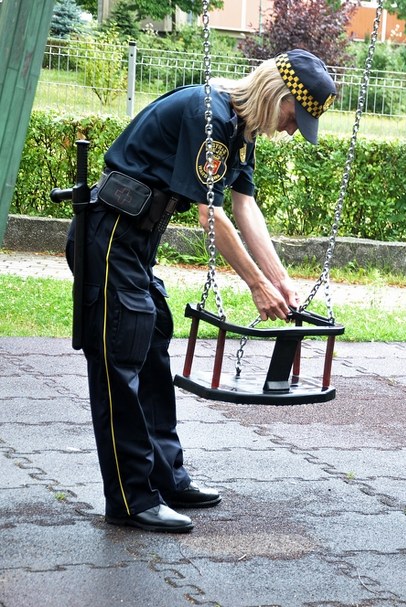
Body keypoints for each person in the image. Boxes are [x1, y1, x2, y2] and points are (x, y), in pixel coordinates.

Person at [65, 50, 337, 533]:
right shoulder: (208, 114)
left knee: (153, 348)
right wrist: (254, 284)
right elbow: (209, 214)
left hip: (136, 244)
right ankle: (131, 498)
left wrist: (280, 279)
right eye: (296, 118)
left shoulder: (240, 130)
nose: (294, 131)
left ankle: (167, 478)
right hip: (109, 237)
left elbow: (245, 207)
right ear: (278, 95)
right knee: (120, 362)